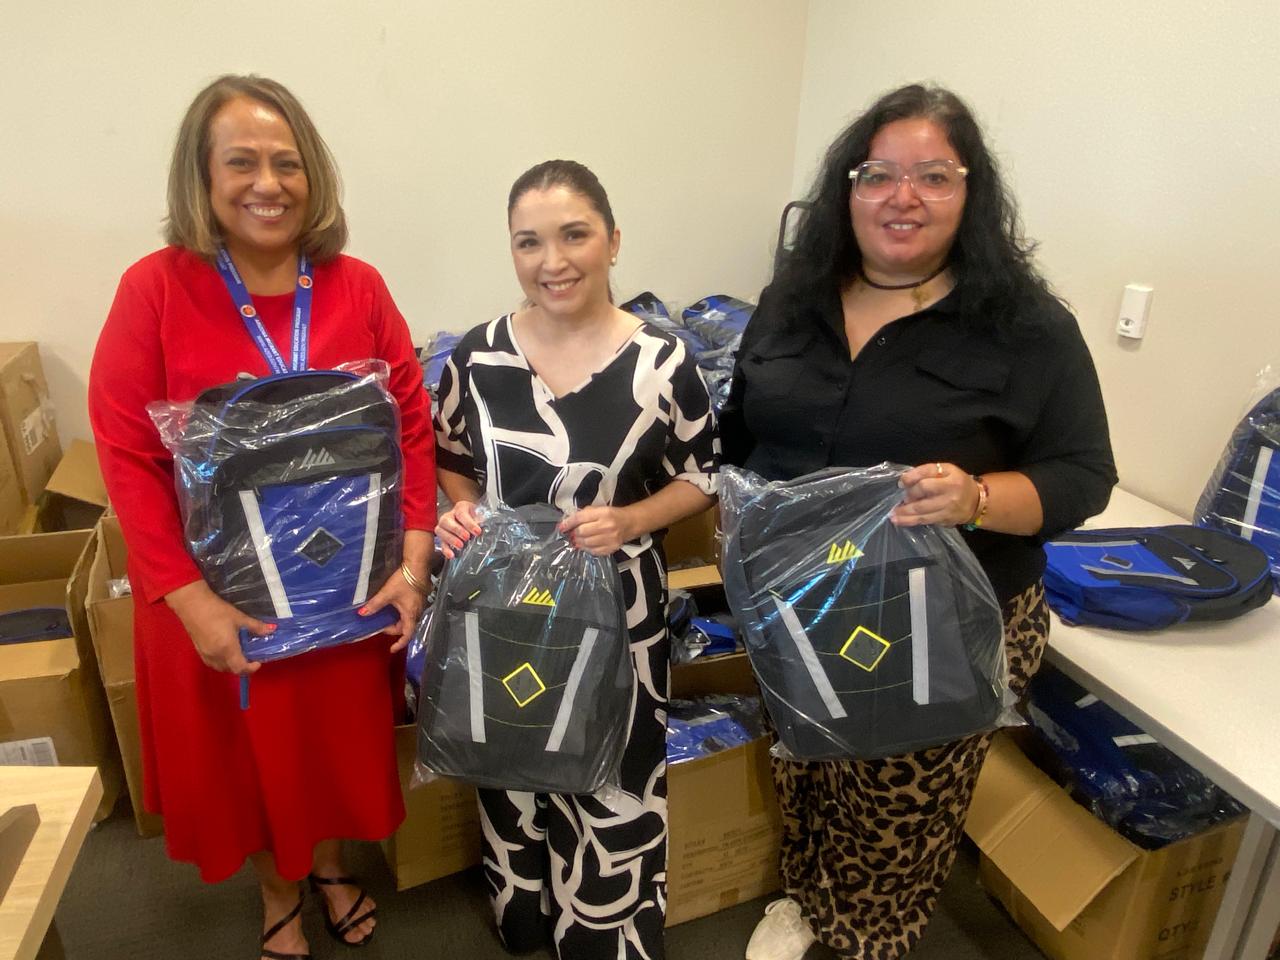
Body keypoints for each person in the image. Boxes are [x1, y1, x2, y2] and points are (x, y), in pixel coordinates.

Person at [720, 83, 1117, 960]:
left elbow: (1084, 476)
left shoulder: (1027, 329)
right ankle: (808, 900)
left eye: (933, 176)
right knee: (807, 762)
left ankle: (871, 937)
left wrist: (978, 498)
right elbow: (741, 435)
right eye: (879, 176)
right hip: (801, 603)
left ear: (971, 193)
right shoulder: (791, 299)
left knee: (897, 810)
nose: (903, 198)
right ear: (848, 190)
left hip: (943, 621)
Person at [88, 75, 435, 960]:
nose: (267, 184)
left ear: (313, 174)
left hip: (348, 587)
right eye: (241, 162)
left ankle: (328, 866)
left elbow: (411, 427)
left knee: (330, 750)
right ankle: (278, 891)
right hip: (223, 598)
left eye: (287, 163)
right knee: (250, 760)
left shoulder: (358, 286)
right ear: (202, 178)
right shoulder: (155, 290)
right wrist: (189, 599)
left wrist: (414, 561)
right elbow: (126, 457)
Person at [433, 159, 719, 959]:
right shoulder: (478, 357)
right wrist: (459, 508)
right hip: (507, 610)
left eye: (574, 235)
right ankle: (524, 913)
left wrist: (631, 518)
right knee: (511, 758)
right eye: (529, 242)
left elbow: (702, 479)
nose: (551, 261)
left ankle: (603, 928)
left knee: (613, 771)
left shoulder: (665, 361)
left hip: (619, 610)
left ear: (613, 241)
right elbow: (449, 457)